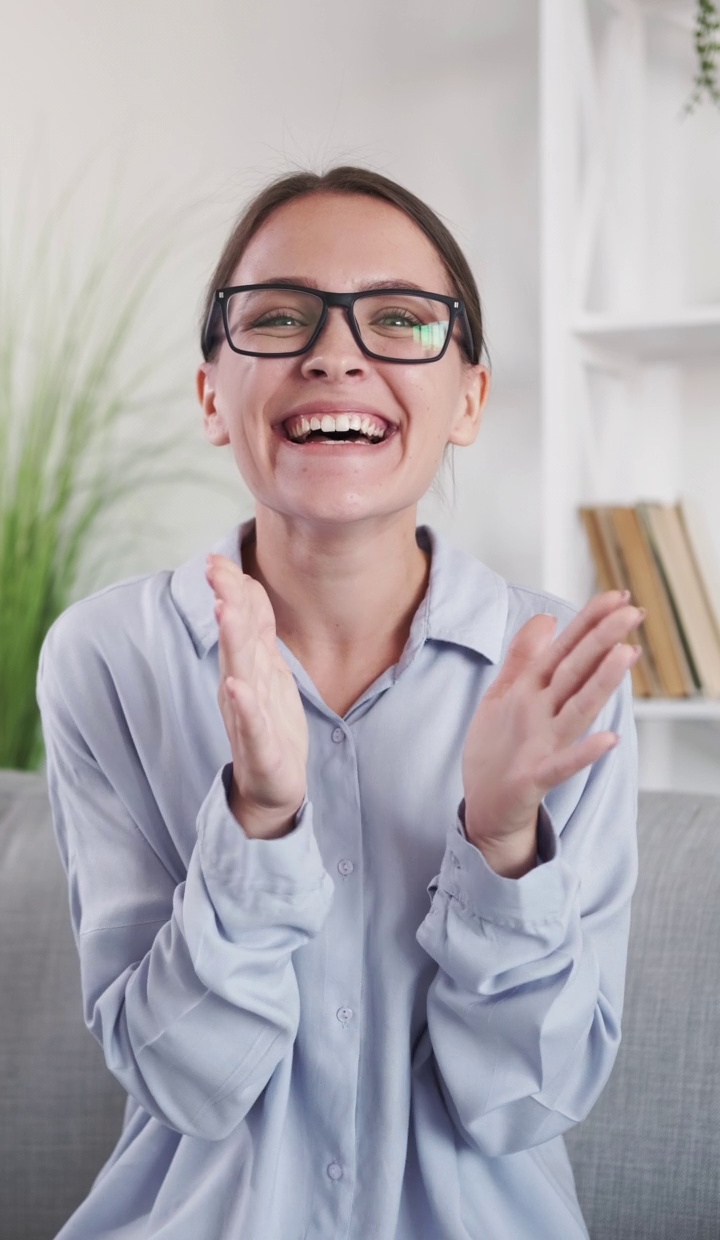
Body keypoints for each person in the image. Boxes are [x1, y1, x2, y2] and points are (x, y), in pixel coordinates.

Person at [36, 165, 643, 1240]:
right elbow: (183, 1079)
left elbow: (529, 1101)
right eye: (278, 316)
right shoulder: (108, 656)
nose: (335, 352)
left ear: (470, 398)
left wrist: (503, 839)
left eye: (401, 319)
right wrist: (259, 819)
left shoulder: (557, 670)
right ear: (212, 393)